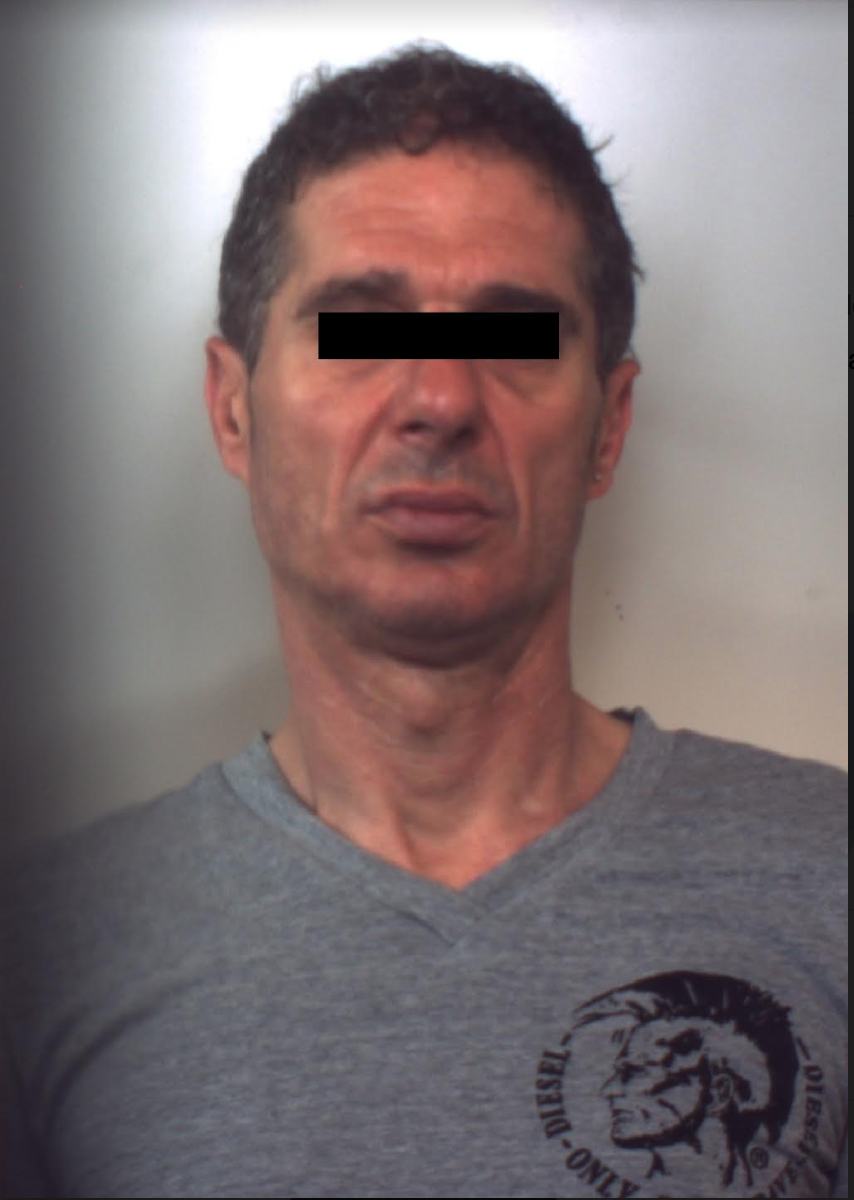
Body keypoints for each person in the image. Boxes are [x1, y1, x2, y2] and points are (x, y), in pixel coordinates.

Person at [1, 42, 846, 1200]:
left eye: (515, 335)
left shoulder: (826, 875)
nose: (441, 398)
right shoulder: (45, 951)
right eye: (356, 328)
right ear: (233, 410)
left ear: (607, 427)